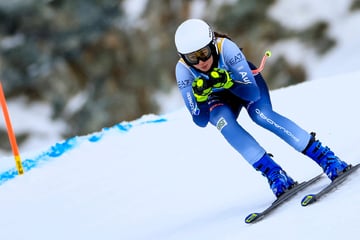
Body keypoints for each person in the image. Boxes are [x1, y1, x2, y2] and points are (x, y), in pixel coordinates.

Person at [174, 18, 350, 198]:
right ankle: (275, 174)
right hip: (217, 99)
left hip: (244, 85)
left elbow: (251, 93)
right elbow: (201, 120)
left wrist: (229, 82)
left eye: (204, 53)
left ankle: (326, 158)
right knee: (223, 123)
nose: (201, 61)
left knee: (260, 115)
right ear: (184, 58)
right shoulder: (183, 71)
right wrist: (201, 99)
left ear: (212, 45)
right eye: (192, 57)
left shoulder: (226, 48)